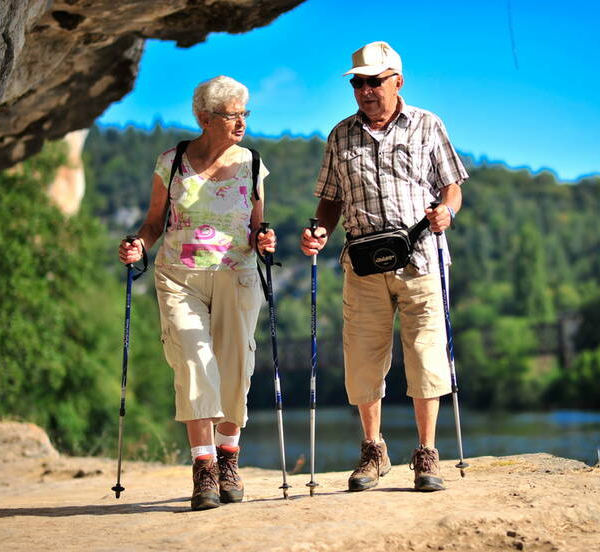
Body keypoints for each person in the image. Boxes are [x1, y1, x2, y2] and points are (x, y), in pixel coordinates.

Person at [300, 41, 468, 492]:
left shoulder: (428, 125)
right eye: (358, 82)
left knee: (426, 354)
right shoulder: (340, 135)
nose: (365, 90)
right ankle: (373, 450)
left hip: (421, 259)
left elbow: (452, 187)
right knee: (362, 358)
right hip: (362, 262)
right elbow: (331, 199)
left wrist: (447, 212)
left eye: (374, 81)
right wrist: (318, 229)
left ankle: (427, 453)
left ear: (397, 81)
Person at [118, 75, 276, 510]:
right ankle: (204, 468)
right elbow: (153, 221)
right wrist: (138, 244)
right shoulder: (171, 161)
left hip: (236, 275)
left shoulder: (253, 163)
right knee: (192, 361)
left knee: (235, 366)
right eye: (231, 115)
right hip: (179, 276)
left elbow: (256, 222)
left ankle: (228, 457)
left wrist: (264, 238)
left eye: (245, 113)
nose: (241, 122)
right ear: (204, 118)